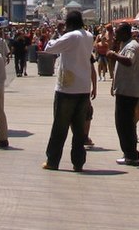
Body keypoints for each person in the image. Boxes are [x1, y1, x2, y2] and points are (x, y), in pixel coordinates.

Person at [42, 11, 96, 172]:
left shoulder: (71, 36)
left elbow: (49, 48)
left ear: (69, 23)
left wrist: (56, 33)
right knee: (79, 129)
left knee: (60, 126)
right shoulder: (88, 36)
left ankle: (52, 160)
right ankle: (78, 162)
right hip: (83, 88)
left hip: (67, 89)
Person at [106, 23, 139, 166]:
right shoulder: (126, 45)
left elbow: (129, 61)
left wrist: (113, 55)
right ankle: (128, 153)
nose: (115, 35)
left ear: (125, 33)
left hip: (128, 92)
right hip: (124, 90)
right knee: (124, 123)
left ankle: (131, 154)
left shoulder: (131, 46)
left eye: (118, 33)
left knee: (125, 124)